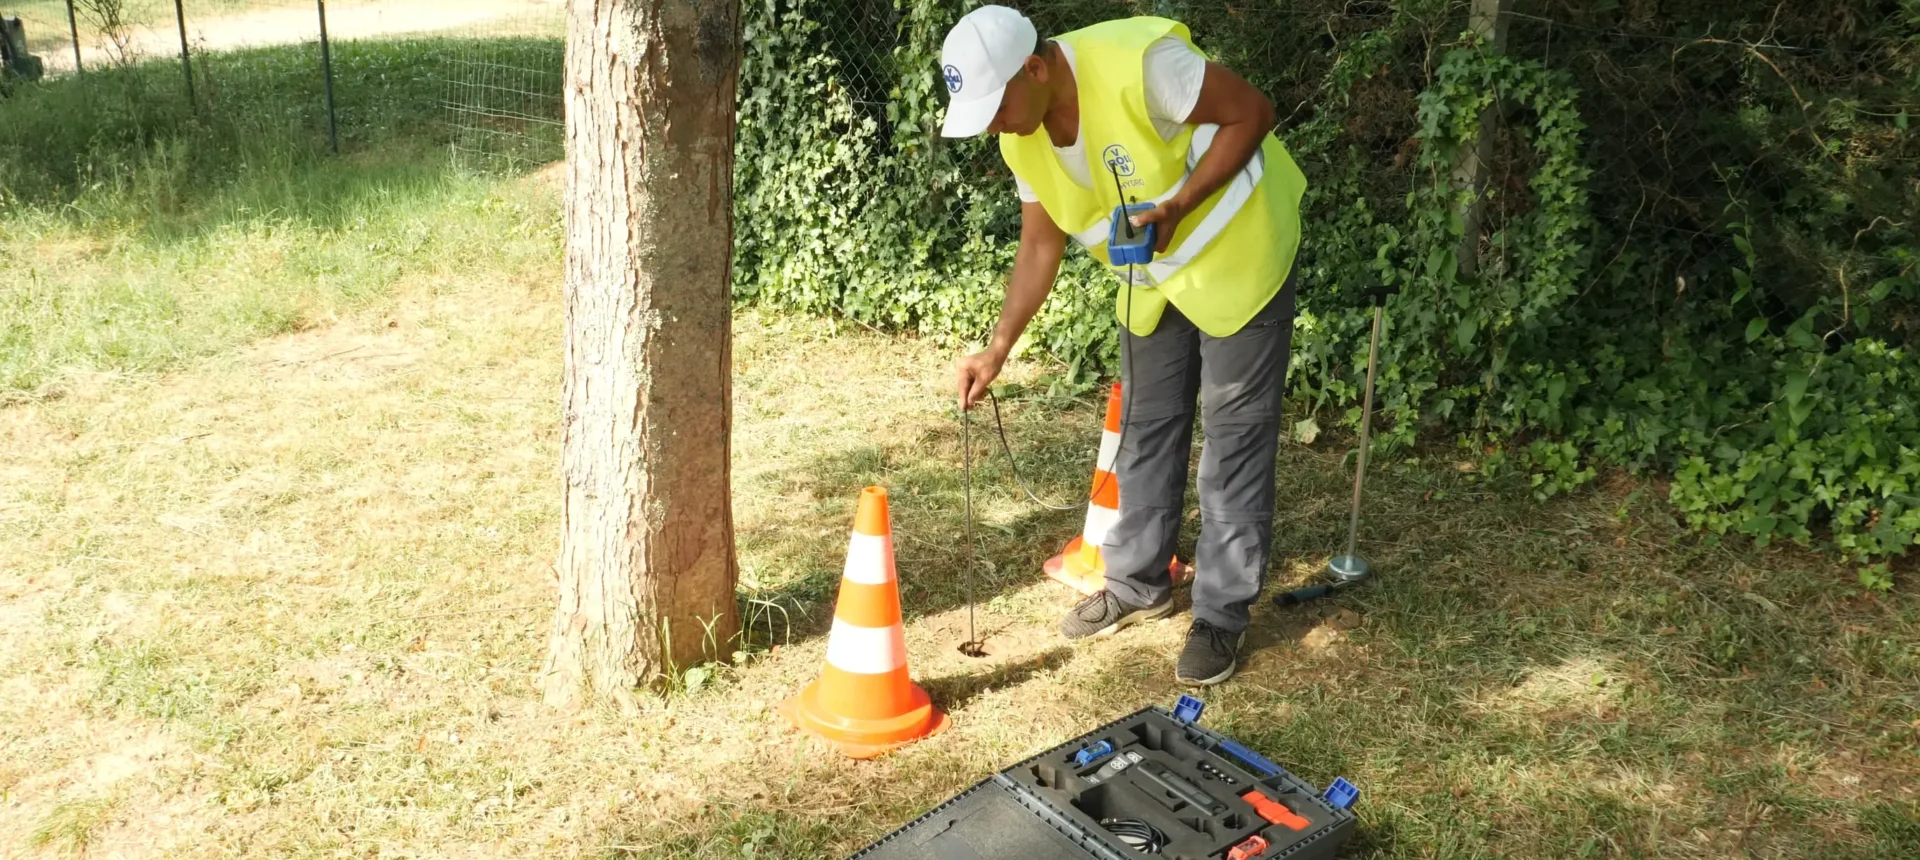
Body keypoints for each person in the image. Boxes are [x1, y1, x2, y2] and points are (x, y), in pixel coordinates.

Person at [938, 5, 1307, 686]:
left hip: (1239, 251)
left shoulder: (1142, 66)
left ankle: (1220, 614)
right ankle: (1139, 585)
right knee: (1145, 422)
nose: (991, 124)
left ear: (1036, 68)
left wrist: (1178, 206)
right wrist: (998, 348)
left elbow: (1253, 112)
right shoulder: (1020, 134)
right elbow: (1041, 241)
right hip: (1153, 274)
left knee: (1233, 437)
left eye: (995, 105)